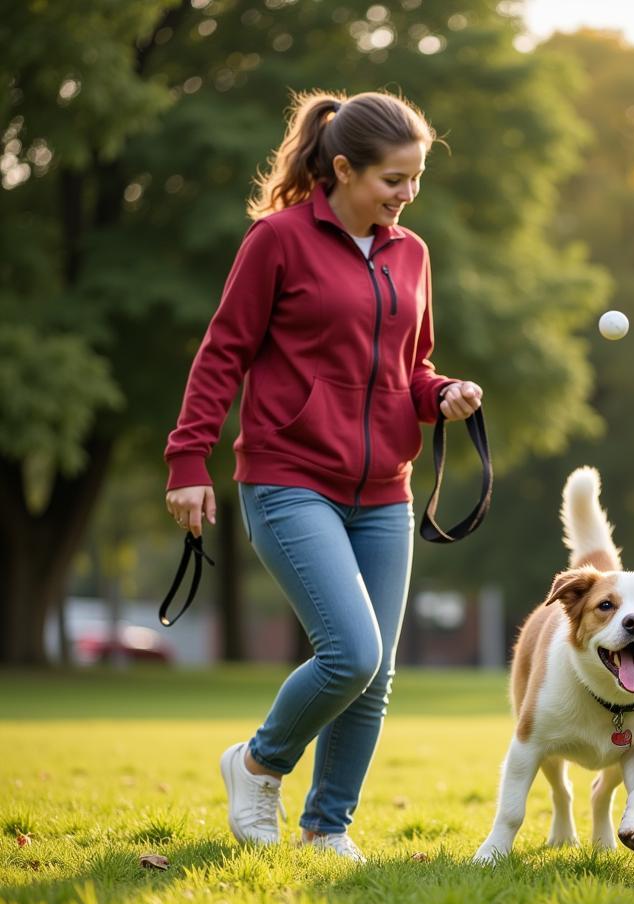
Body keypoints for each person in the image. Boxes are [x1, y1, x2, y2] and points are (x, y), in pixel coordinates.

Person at [164, 90, 483, 861]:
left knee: (376, 677)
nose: (406, 197)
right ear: (342, 169)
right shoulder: (276, 241)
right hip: (287, 476)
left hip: (384, 491)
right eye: (392, 180)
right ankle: (257, 763)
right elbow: (223, 352)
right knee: (352, 651)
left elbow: (413, 366)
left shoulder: (412, 254)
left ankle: (325, 827)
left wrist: (441, 396)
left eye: (415, 181)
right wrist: (187, 458)